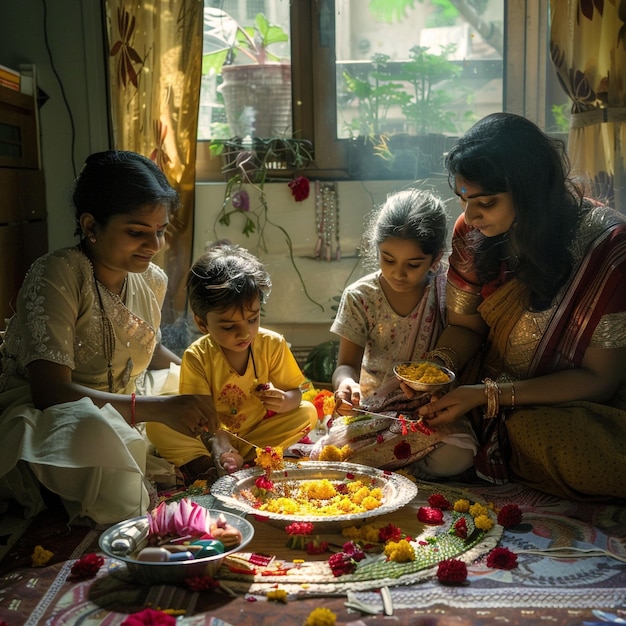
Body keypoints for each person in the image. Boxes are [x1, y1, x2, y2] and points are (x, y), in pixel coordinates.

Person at [416, 112, 626, 502]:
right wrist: (435, 369)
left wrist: (489, 396)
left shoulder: (606, 246)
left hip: (570, 404)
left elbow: (600, 380)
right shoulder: (471, 231)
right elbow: (466, 328)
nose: (471, 216)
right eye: (465, 200)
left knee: (557, 442)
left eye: (487, 202)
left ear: (530, 189)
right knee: (403, 420)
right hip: (481, 386)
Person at [0, 150, 217, 526]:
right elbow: (51, 393)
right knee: (95, 432)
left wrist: (202, 381)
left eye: (161, 231)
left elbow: (146, 349)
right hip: (50, 413)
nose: (154, 245)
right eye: (137, 232)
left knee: (193, 388)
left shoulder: (151, 279)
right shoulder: (58, 274)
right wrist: (160, 409)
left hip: (122, 401)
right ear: (91, 225)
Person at [310, 189, 477, 479]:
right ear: (376, 250)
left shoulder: (446, 290)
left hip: (429, 409)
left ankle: (388, 466)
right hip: (376, 409)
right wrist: (346, 385)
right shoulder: (361, 296)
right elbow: (346, 365)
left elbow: (467, 336)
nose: (399, 273)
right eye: (388, 260)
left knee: (458, 455)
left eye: (413, 265)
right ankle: (401, 465)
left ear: (436, 257)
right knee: (339, 448)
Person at [146, 242, 318, 482]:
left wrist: (284, 401)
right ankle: (207, 463)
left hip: (255, 435)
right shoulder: (197, 356)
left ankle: (240, 460)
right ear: (202, 323)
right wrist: (219, 440)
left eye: (252, 319)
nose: (245, 333)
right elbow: (199, 415)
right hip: (209, 436)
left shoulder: (272, 344)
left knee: (307, 413)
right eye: (229, 326)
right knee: (156, 427)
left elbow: (295, 394)